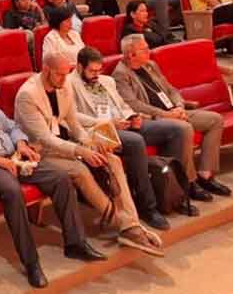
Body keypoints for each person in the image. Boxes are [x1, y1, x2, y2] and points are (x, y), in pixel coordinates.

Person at [0, 74, 105, 288]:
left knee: (60, 178)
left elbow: (11, 127)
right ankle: (31, 262)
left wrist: (21, 144)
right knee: (13, 191)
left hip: (16, 158)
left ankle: (75, 243)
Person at [14, 53, 164, 256]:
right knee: (80, 169)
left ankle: (131, 224)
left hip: (66, 143)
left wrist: (89, 143)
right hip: (40, 152)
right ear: (46, 70)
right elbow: (45, 138)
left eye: (66, 75)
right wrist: (81, 151)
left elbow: (73, 123)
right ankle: (124, 225)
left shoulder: (63, 85)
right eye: (59, 75)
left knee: (112, 160)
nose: (64, 80)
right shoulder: (28, 95)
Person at [69, 47, 180, 229]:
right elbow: (72, 116)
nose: (97, 74)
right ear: (80, 67)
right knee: (136, 142)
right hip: (98, 130)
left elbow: (122, 105)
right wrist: (111, 123)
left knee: (175, 129)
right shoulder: (68, 84)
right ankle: (148, 206)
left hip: (123, 124)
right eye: (92, 71)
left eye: (99, 70)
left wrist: (132, 117)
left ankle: (172, 191)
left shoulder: (107, 81)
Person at [113, 34, 231, 203]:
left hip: (174, 111)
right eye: (144, 49)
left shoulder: (150, 65)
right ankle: (190, 182)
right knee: (184, 128)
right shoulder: (120, 75)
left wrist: (179, 107)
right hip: (154, 118)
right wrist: (168, 115)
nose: (149, 51)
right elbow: (135, 105)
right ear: (131, 55)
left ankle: (205, 175)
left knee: (215, 120)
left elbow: (171, 89)